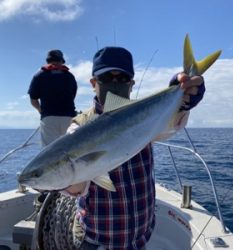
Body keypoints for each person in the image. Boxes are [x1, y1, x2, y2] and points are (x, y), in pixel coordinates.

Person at [63, 47, 205, 250]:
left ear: (131, 84)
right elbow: (74, 186)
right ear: (94, 83)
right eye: (106, 78)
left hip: (139, 239)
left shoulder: (145, 116)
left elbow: (173, 125)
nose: (115, 84)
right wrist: (68, 174)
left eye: (122, 78)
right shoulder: (79, 127)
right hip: (97, 242)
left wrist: (183, 99)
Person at [28, 49, 77, 147]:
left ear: (48, 61)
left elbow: (33, 99)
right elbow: (73, 96)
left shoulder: (39, 75)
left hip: (49, 118)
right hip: (69, 117)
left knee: (49, 151)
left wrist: (40, 109)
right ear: (61, 61)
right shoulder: (70, 76)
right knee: (70, 149)